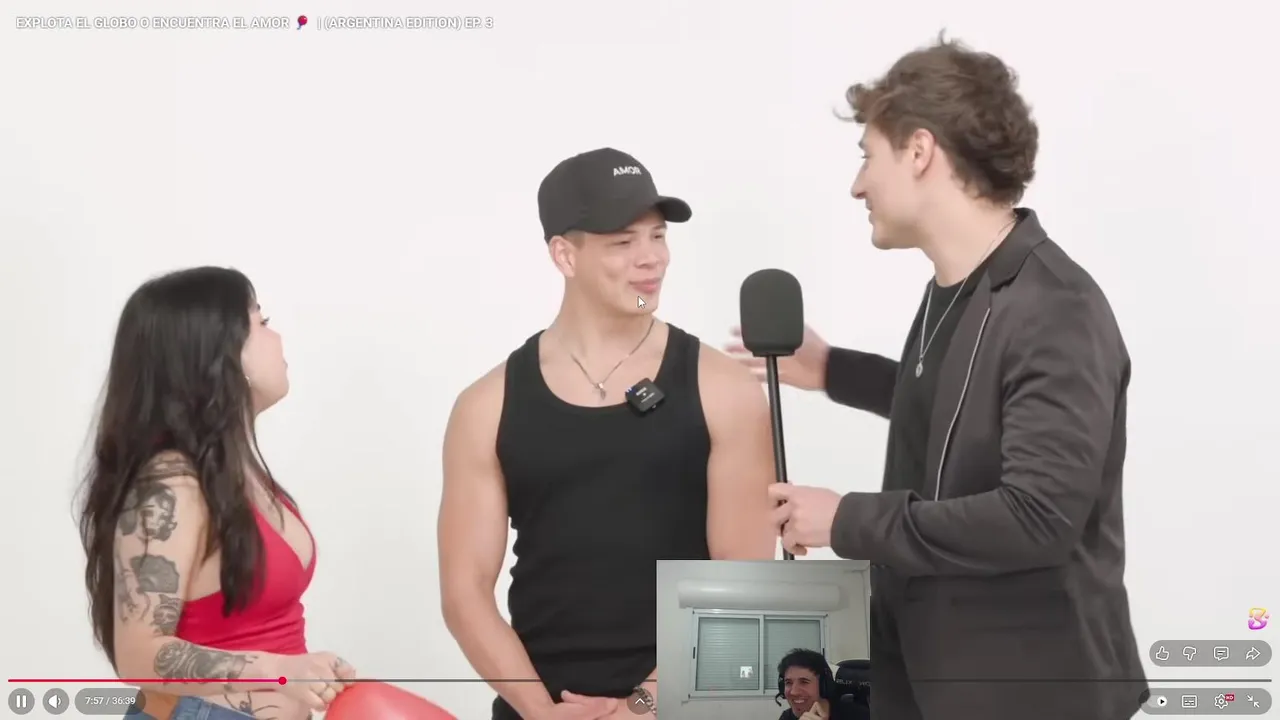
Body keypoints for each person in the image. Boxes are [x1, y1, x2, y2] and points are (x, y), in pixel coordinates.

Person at [727, 36, 1147, 720]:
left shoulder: (1057, 307)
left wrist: (846, 519)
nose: (858, 184)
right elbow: (963, 406)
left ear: (919, 151)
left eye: (868, 156)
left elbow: (1037, 517)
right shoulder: (955, 291)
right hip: (929, 676)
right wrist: (833, 370)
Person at [439, 147, 778, 720]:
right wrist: (539, 711)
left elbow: (742, 581)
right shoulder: (486, 405)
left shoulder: (723, 389)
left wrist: (642, 706)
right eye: (623, 242)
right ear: (564, 255)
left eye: (658, 236)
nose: (651, 259)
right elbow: (465, 592)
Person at [77, 267, 358, 720]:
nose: (277, 336)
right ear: (217, 353)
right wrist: (280, 671)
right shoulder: (170, 485)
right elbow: (138, 655)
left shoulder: (234, 473)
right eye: (262, 322)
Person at [774, 649, 861, 720]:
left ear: (824, 685)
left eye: (804, 682)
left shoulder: (858, 715)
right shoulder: (787, 717)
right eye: (788, 682)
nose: (794, 692)